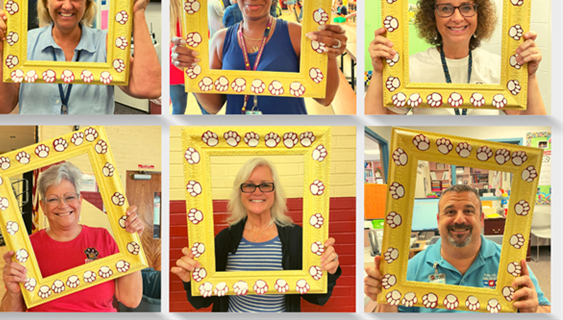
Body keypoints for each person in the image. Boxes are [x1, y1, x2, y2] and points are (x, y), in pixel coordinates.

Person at [171, 0, 347, 114]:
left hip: (289, 140)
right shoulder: (220, 40)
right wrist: (192, 69)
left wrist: (330, 54)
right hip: (238, 140)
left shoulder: (297, 35)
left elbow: (325, 98)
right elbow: (213, 107)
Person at [171, 157, 341, 312]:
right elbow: (202, 302)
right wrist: (190, 280)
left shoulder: (296, 237)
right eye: (249, 185)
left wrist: (328, 270)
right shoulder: (224, 239)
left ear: (275, 191)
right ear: (240, 192)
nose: (257, 191)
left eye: (266, 185)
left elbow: (317, 298)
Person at [0, 0, 161, 114]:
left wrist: (138, 11)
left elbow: (151, 87)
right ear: (46, 1)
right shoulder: (26, 43)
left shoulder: (105, 44)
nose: (68, 5)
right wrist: (2, 53)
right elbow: (0, 108)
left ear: (86, 4)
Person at [366, 0, 545, 115]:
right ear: (432, 15)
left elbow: (531, 122)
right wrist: (379, 72)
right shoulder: (411, 68)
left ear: (479, 14)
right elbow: (381, 124)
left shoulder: (499, 67)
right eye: (446, 8)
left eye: (467, 7)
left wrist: (529, 76)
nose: (457, 18)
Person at [364, 184, 551, 313]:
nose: (459, 219)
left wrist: (534, 311)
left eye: (468, 211)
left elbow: (548, 310)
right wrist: (385, 297)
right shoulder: (413, 268)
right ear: (438, 221)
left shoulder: (510, 263)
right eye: (450, 211)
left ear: (481, 219)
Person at [0, 162, 144, 312]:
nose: (63, 205)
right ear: (42, 206)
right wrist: (13, 292)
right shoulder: (27, 248)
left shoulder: (102, 238)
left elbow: (131, 299)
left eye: (69, 197)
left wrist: (132, 242)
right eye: (53, 199)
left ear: (80, 201)